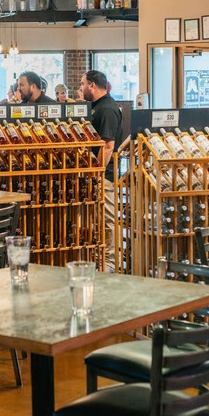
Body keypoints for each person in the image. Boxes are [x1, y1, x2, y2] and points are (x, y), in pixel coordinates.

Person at [79, 70, 125, 271]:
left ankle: (111, 263)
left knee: (107, 220)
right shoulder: (97, 107)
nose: (80, 89)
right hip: (98, 176)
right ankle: (102, 260)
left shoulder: (106, 109)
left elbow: (108, 147)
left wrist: (96, 174)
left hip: (104, 177)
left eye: (82, 84)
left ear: (92, 84)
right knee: (99, 219)